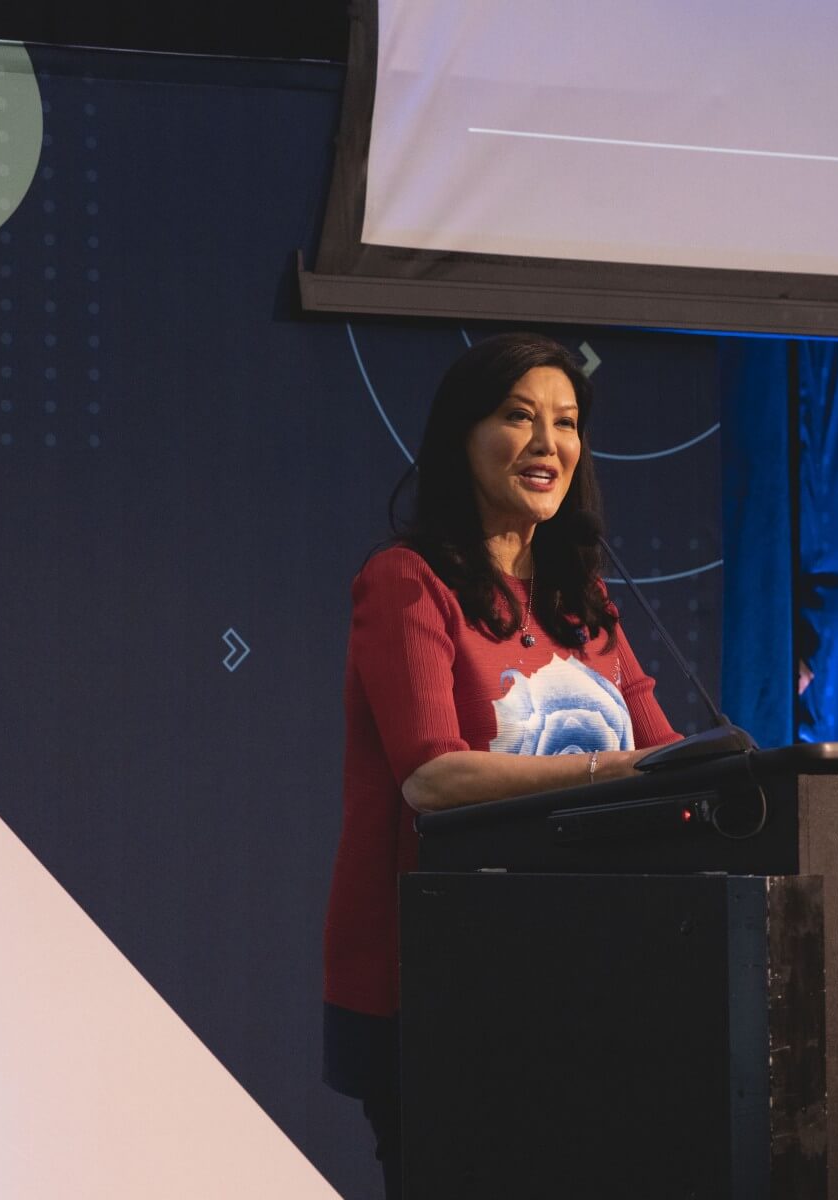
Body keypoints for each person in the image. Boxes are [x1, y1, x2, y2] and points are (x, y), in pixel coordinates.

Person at [321, 332, 681, 1199]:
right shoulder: (408, 583)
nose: (546, 443)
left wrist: (734, 778)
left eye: (564, 422)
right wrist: (609, 772)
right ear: (461, 436)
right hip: (436, 974)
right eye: (517, 417)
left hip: (579, 968)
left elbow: (666, 758)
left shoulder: (582, 601)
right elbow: (432, 777)